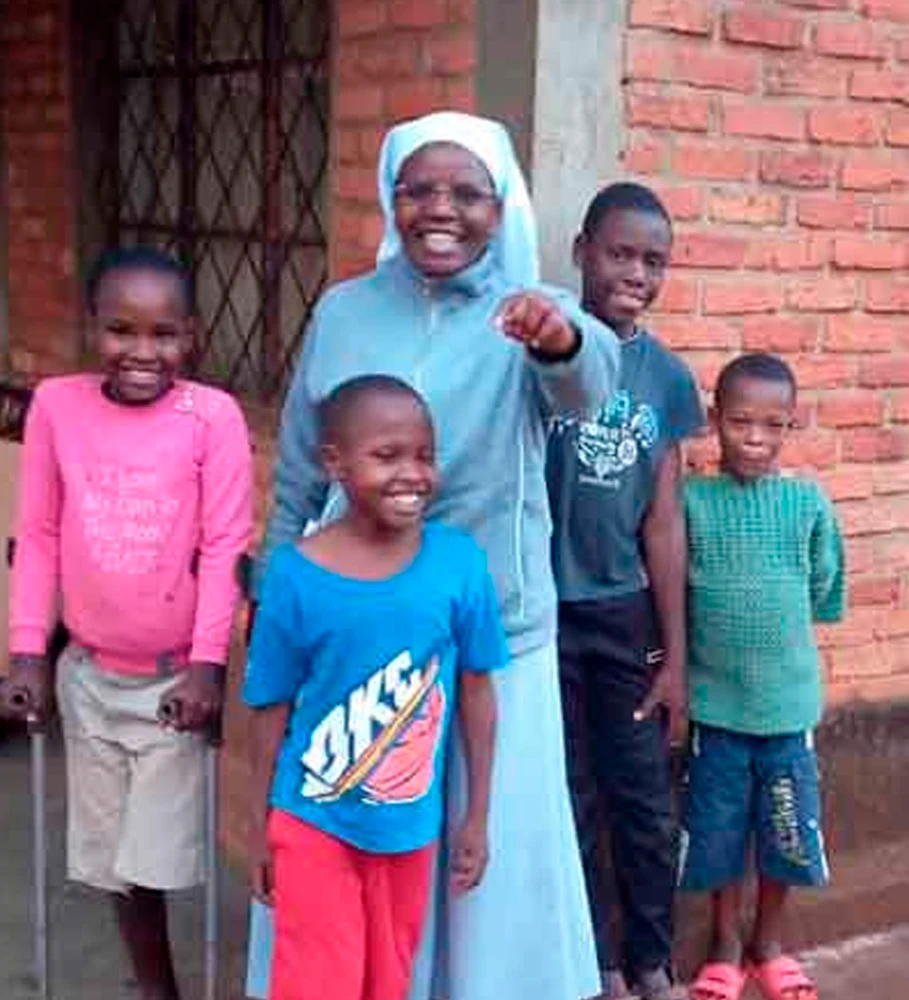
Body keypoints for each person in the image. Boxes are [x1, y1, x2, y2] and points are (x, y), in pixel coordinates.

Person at [247, 110, 617, 1000]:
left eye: (466, 193)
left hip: (495, 635)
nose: (439, 209)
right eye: (418, 190)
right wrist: (269, 581)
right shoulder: (344, 312)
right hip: (358, 637)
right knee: (351, 830)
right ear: (390, 199)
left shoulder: (531, 311)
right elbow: (302, 460)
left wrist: (559, 339)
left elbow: (589, 385)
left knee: (480, 856)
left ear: (501, 207)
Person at [0, 247, 255, 1000]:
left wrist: (210, 666)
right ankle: (157, 989)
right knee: (114, 861)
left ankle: (163, 990)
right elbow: (38, 532)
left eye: (165, 334)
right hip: (88, 675)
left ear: (193, 335)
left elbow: (224, 546)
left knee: (156, 860)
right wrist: (26, 654)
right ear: (92, 328)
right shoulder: (56, 405)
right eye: (122, 330)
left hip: (176, 681)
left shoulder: (213, 417)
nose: (143, 352)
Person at [244, 375, 503, 1000]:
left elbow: (477, 693)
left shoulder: (459, 562)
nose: (410, 474)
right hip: (313, 820)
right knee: (316, 985)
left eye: (423, 456)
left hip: (410, 827)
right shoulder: (294, 574)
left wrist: (478, 818)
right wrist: (259, 823)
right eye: (386, 456)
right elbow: (267, 706)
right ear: (334, 462)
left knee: (390, 983)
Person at [547, 182, 702, 1000]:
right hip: (546, 616)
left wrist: (675, 658)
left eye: (654, 259)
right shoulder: (545, 353)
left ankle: (652, 961)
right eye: (620, 252)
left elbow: (664, 519)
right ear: (582, 250)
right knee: (571, 797)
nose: (636, 271)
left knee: (644, 799)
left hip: (623, 615)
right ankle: (598, 963)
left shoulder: (667, 379)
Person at [677, 354, 846, 1000]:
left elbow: (825, 584)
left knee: (785, 832)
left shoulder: (806, 503)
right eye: (741, 422)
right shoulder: (693, 500)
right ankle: (723, 943)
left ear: (790, 426)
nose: (755, 438)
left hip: (786, 709)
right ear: (716, 421)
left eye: (772, 426)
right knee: (717, 831)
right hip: (715, 709)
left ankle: (768, 944)